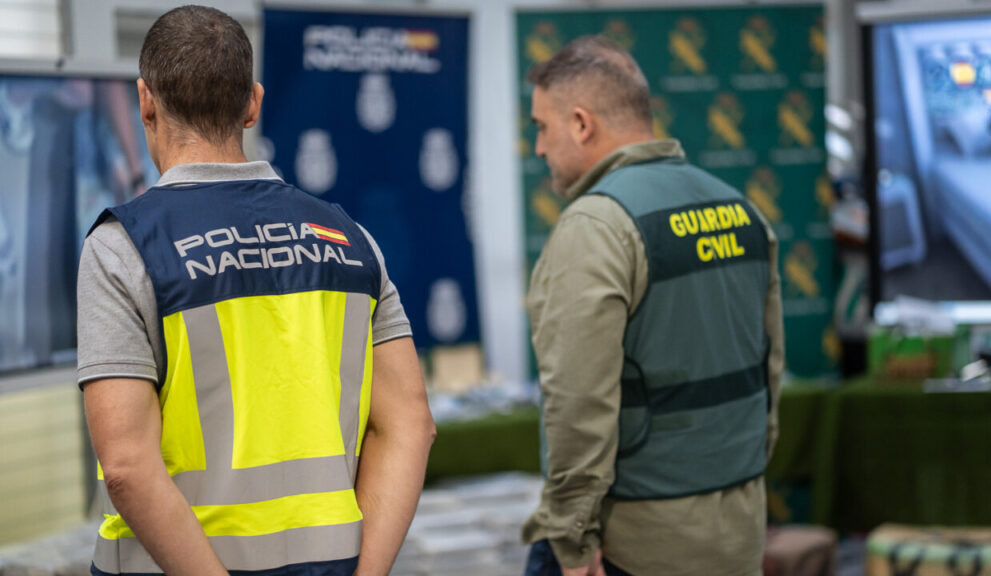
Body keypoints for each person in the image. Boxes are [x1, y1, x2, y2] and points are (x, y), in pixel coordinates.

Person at [76, 6, 435, 576]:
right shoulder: (350, 238)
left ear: (145, 101)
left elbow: (125, 465)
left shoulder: (124, 247)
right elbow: (410, 422)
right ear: (252, 104)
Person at [521, 36, 784, 576]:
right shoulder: (740, 209)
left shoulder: (596, 226)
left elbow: (578, 403)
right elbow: (768, 377)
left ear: (580, 123)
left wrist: (571, 538)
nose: (540, 148)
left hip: (633, 545)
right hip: (735, 533)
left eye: (542, 127)